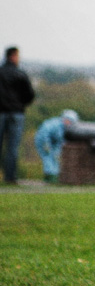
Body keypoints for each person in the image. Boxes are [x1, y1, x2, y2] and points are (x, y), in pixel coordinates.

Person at [0, 47, 35, 184]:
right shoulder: (20, 74)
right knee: (12, 147)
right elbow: (30, 94)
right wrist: (20, 104)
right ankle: (10, 177)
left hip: (1, 111)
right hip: (16, 112)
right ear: (13, 56)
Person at [34, 109, 79, 183]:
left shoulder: (64, 127)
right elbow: (44, 133)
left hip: (53, 143)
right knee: (47, 157)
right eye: (70, 121)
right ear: (65, 119)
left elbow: (61, 139)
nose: (70, 123)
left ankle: (55, 175)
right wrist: (46, 144)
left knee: (55, 158)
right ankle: (50, 177)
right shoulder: (54, 124)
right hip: (43, 141)